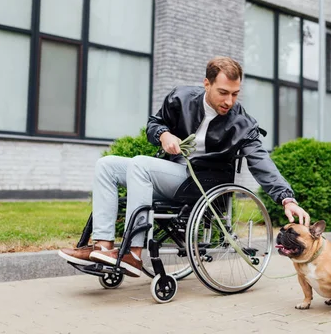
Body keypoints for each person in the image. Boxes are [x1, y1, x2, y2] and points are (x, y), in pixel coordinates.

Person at [59, 56, 310, 277]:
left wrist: (286, 199)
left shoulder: (242, 123)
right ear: (206, 84)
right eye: (223, 92)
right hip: (172, 172)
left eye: (235, 94)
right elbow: (154, 123)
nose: (229, 101)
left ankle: (133, 253)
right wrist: (163, 134)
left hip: (204, 183)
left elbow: (260, 160)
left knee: (139, 165)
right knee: (106, 165)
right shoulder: (180, 98)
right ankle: (103, 247)